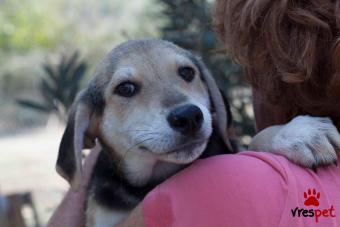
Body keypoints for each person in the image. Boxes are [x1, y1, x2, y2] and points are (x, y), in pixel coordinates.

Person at [48, 0, 340, 226]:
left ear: (213, 98)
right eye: (127, 89)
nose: (181, 108)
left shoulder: (229, 178)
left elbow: (237, 160)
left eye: (185, 73)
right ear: (90, 124)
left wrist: (268, 138)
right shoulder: (102, 203)